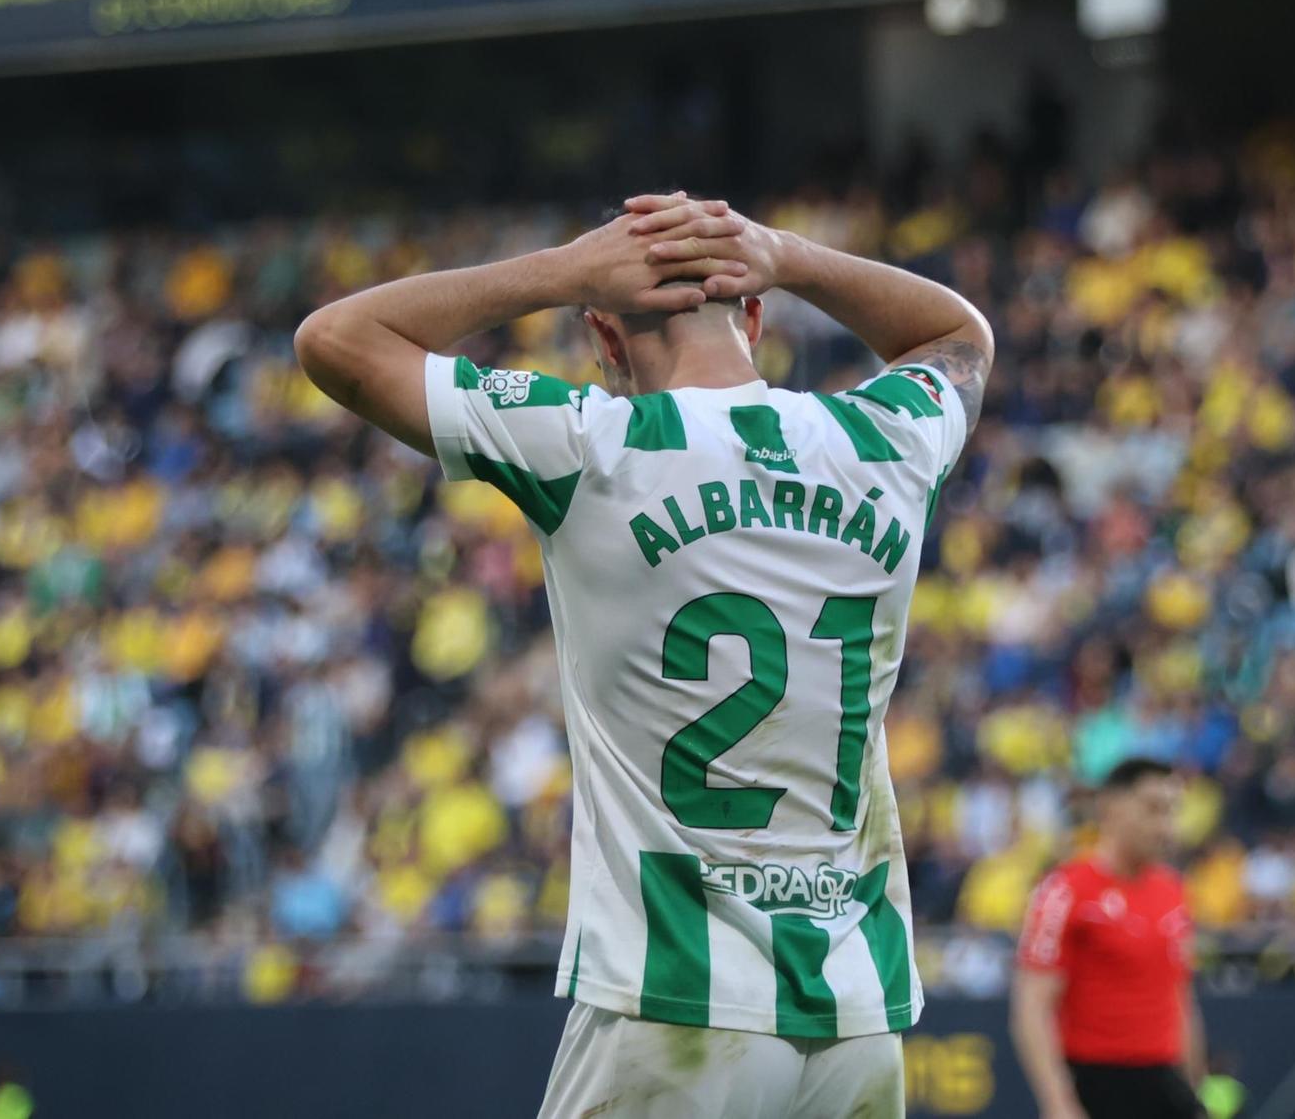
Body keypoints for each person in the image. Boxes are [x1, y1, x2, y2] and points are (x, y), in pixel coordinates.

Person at [295, 194, 992, 1118]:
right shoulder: (882, 443)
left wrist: (562, 269)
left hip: (675, 1003)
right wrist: (785, 254)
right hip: (855, 1011)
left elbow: (335, 340)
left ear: (603, 337)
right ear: (752, 314)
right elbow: (960, 334)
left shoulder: (590, 446)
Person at [1010, 758, 1206, 1119]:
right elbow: (1033, 1005)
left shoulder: (1173, 891)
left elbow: (1180, 997)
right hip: (1096, 1082)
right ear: (1111, 808)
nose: (1166, 826)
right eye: (1153, 809)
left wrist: (1194, 1084)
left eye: (1171, 811)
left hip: (1164, 1081)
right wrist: (1058, 1102)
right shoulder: (1066, 890)